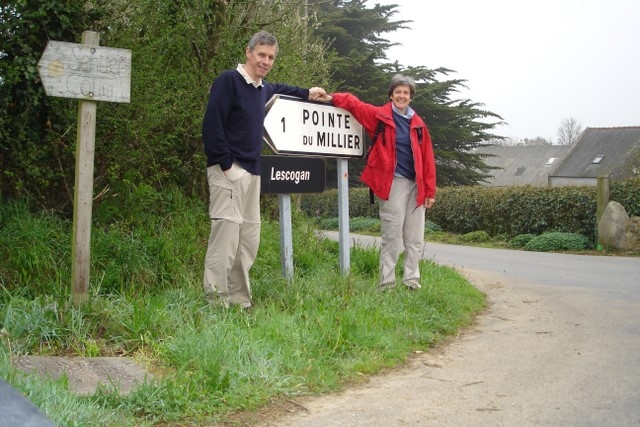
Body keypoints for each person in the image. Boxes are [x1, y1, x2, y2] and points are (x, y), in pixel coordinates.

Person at [202, 30, 326, 310]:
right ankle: (216, 303)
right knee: (225, 240)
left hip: (253, 173)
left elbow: (281, 88)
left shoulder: (262, 89)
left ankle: (240, 301)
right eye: (261, 55)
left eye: (270, 57)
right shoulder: (229, 81)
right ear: (248, 52)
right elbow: (212, 125)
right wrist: (226, 165)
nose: (265, 61)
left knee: (247, 241)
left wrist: (308, 93)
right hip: (229, 172)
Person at [317, 74, 436, 290]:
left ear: (411, 97)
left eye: (406, 93)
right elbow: (355, 104)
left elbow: (427, 158)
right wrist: (331, 98)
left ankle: (411, 281)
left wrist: (429, 191)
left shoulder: (418, 124)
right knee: (392, 236)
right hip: (392, 184)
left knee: (415, 238)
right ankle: (387, 283)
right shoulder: (379, 116)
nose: (402, 96)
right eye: (398, 92)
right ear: (391, 95)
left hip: (416, 186)